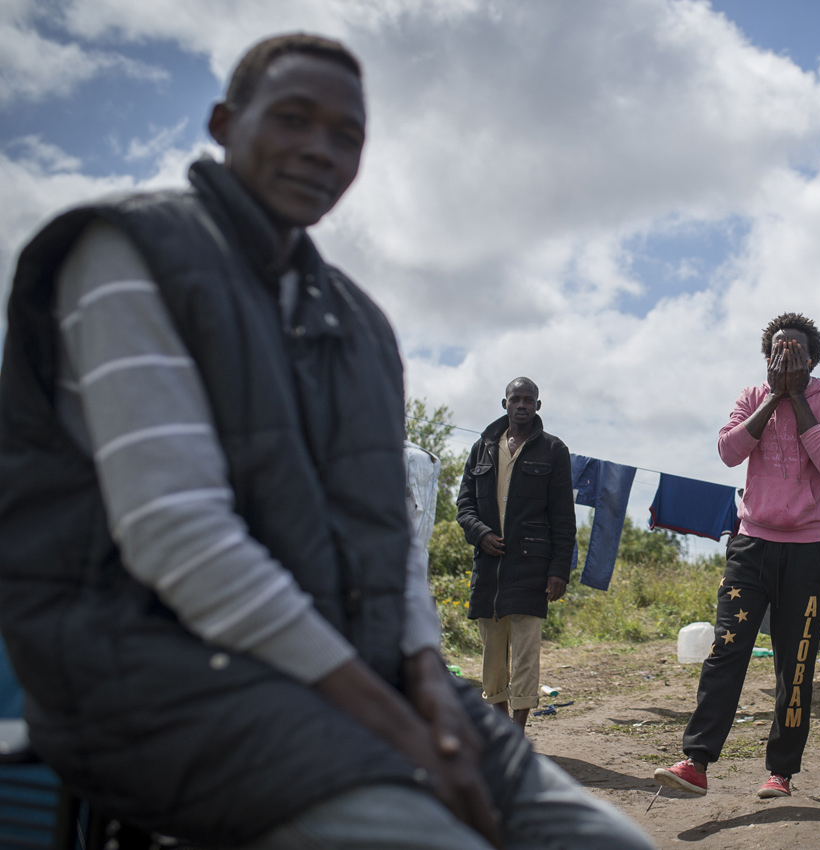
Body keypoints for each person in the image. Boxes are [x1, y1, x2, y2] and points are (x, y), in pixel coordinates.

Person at [0, 32, 651, 850]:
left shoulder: (360, 323)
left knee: (604, 840)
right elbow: (179, 534)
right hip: (154, 683)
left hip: (355, 678)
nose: (320, 147)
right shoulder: (127, 256)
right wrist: (395, 724)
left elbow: (389, 532)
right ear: (224, 122)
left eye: (346, 134)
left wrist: (424, 681)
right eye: (293, 118)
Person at [653, 313, 820, 799]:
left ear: (812, 359)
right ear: (766, 359)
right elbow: (728, 451)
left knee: (795, 664)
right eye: (777, 350)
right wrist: (774, 397)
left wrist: (798, 396)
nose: (785, 357)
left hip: (806, 550)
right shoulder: (750, 397)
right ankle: (696, 762)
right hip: (751, 546)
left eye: (795, 351)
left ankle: (780, 772)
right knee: (726, 652)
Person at [456, 377, 576, 731]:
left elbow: (564, 518)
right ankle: (500, 725)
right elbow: (464, 506)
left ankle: (518, 729)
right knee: (492, 653)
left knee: (526, 652)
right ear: (504, 403)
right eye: (515, 399)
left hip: (532, 568)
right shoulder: (482, 448)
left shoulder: (554, 450)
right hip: (490, 569)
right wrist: (480, 534)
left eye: (528, 400)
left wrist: (559, 570)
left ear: (538, 406)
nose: (521, 405)